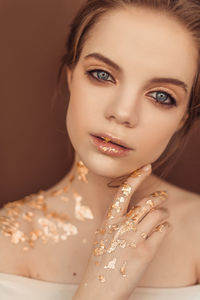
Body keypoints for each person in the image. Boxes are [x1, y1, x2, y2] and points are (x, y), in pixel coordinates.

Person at [0, 0, 200, 299]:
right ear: (71, 78)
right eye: (102, 75)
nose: (122, 112)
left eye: (161, 96)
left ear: (182, 118)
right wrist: (101, 289)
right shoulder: (6, 242)